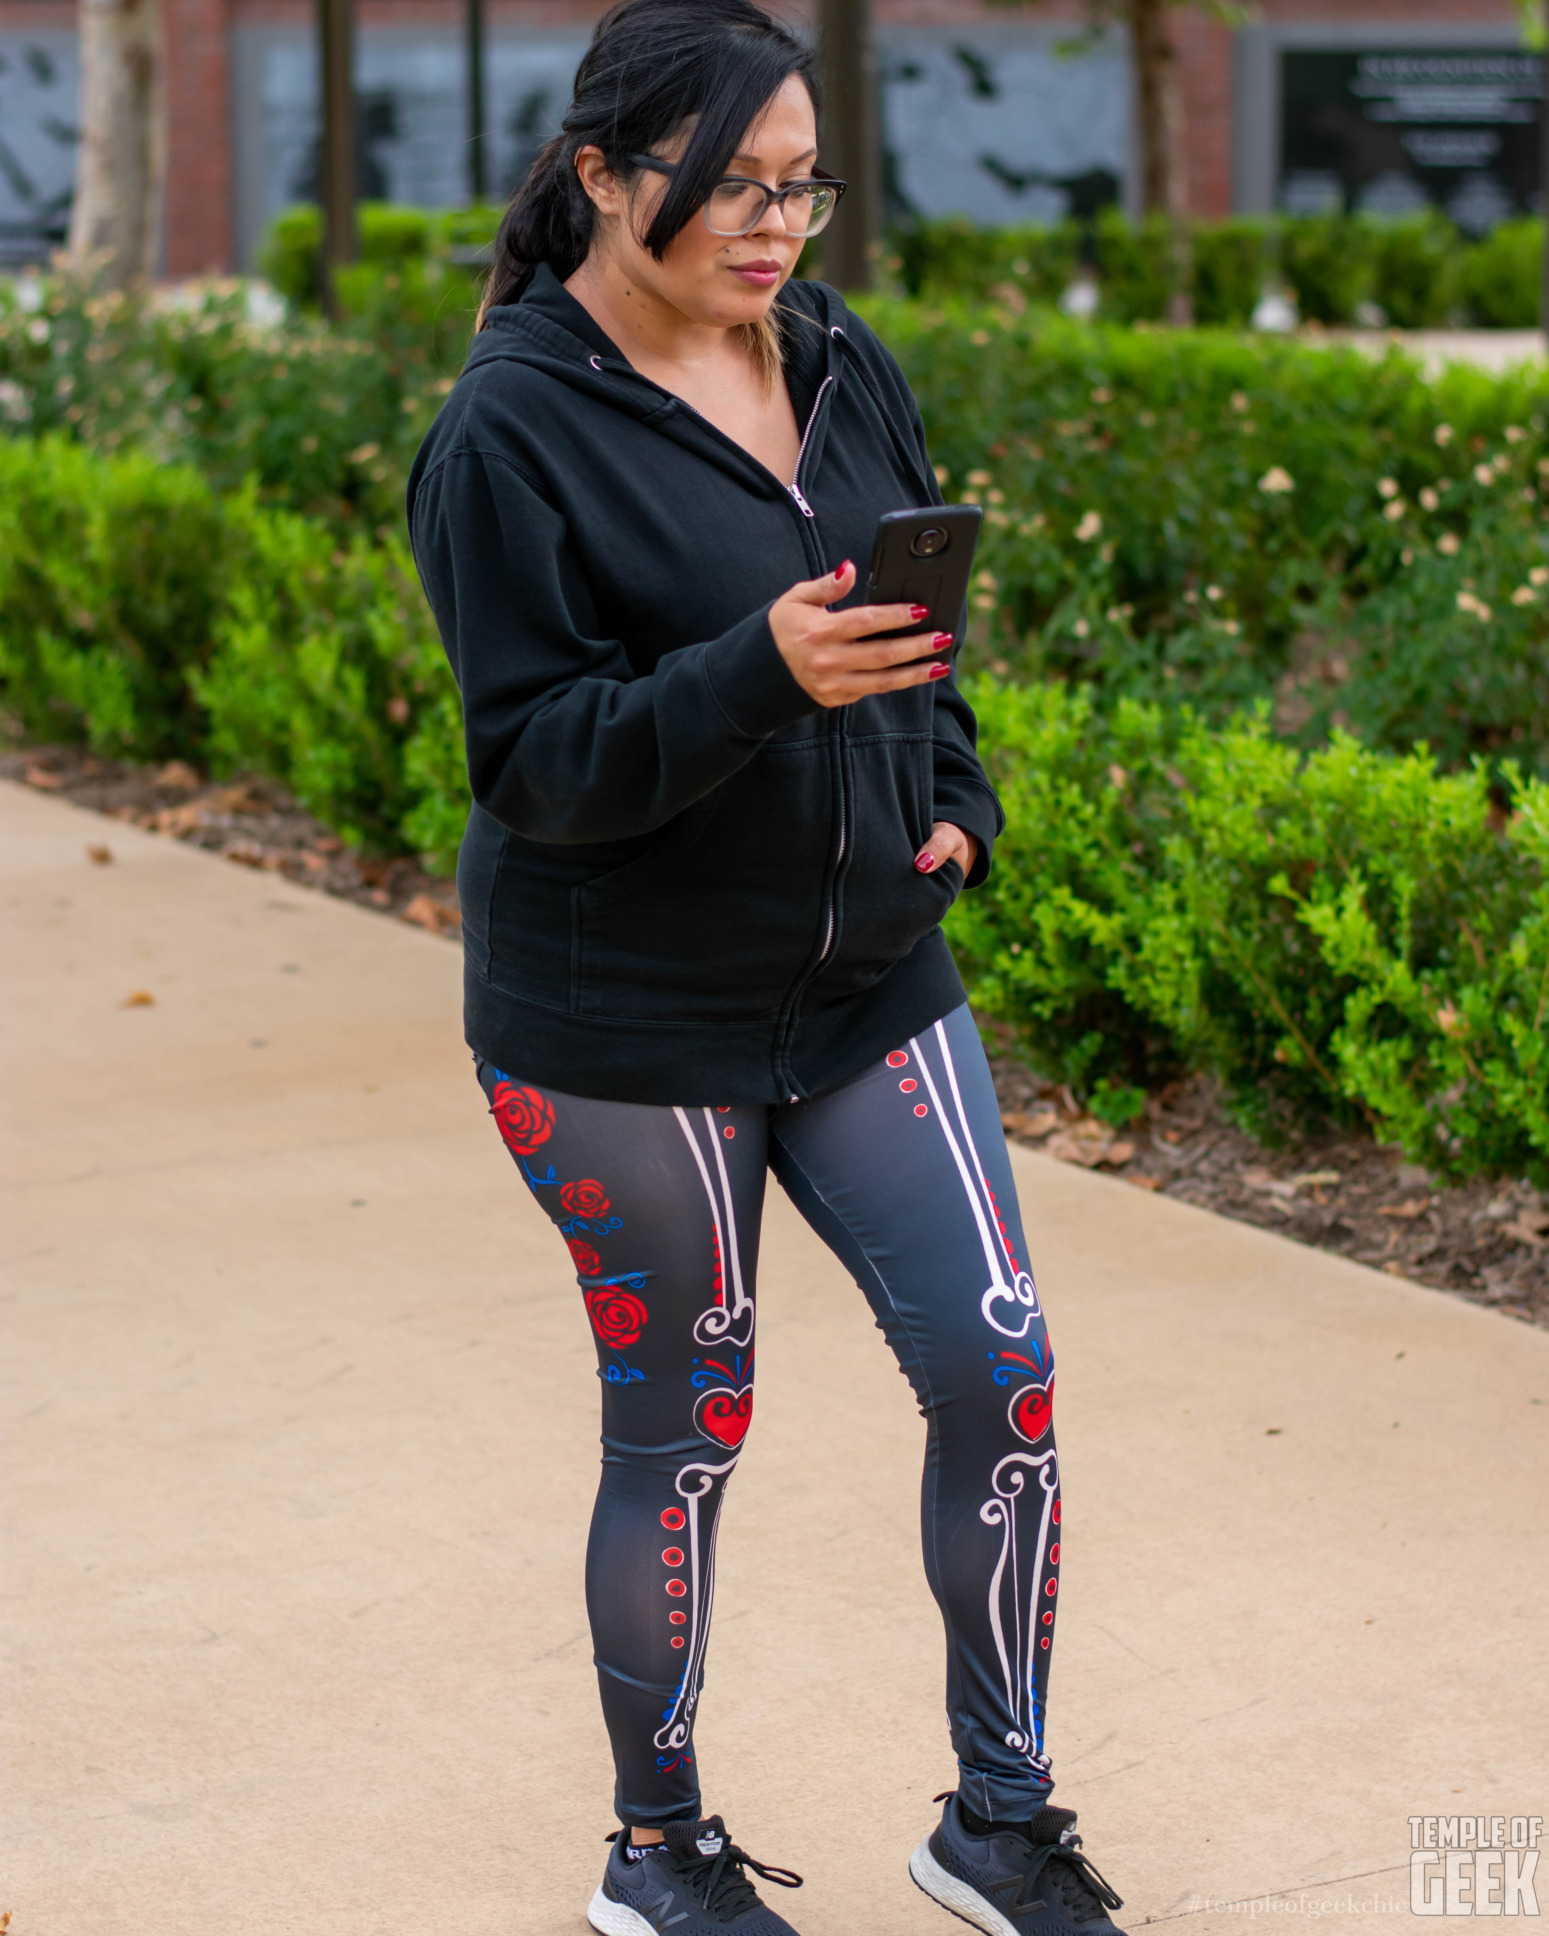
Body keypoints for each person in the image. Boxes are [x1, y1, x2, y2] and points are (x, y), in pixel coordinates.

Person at [408, 2, 1128, 1929]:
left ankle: (998, 1816)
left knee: (1003, 1381)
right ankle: (660, 1856)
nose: (775, 226)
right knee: (689, 1427)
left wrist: (948, 789)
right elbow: (534, 761)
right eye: (730, 184)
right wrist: (755, 676)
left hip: (865, 980)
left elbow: (915, 616)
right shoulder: (507, 430)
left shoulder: (828, 353)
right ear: (597, 174)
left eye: (801, 184)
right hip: (622, 1021)